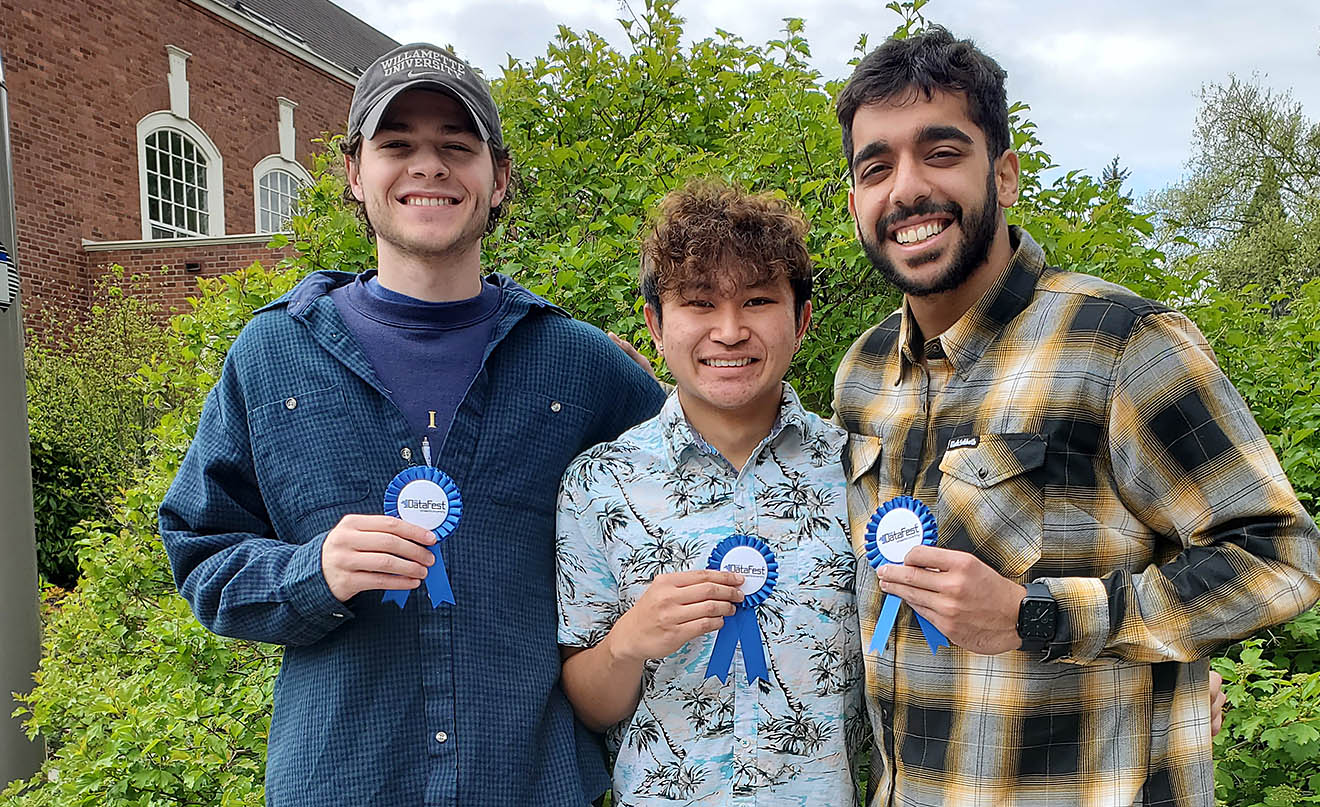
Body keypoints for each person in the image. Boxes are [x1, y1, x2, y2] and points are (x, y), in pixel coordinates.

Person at [158, 43, 664, 806]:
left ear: (498, 179)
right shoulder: (272, 355)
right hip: (341, 781)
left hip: (530, 784)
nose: (427, 166)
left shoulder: (580, 365)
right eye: (397, 145)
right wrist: (312, 571)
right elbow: (201, 554)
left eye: (456, 147)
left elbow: (701, 479)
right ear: (356, 172)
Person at [831, 28, 1320, 805]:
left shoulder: (1123, 343)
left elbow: (1278, 557)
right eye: (877, 166)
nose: (907, 188)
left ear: (1005, 173)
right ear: (856, 199)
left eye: (942, 152)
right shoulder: (862, 371)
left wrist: (1039, 616)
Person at [555, 180, 865, 805]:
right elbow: (589, 706)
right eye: (699, 303)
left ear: (801, 321)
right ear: (655, 324)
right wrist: (627, 642)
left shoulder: (859, 471)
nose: (729, 331)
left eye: (756, 301)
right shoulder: (599, 483)